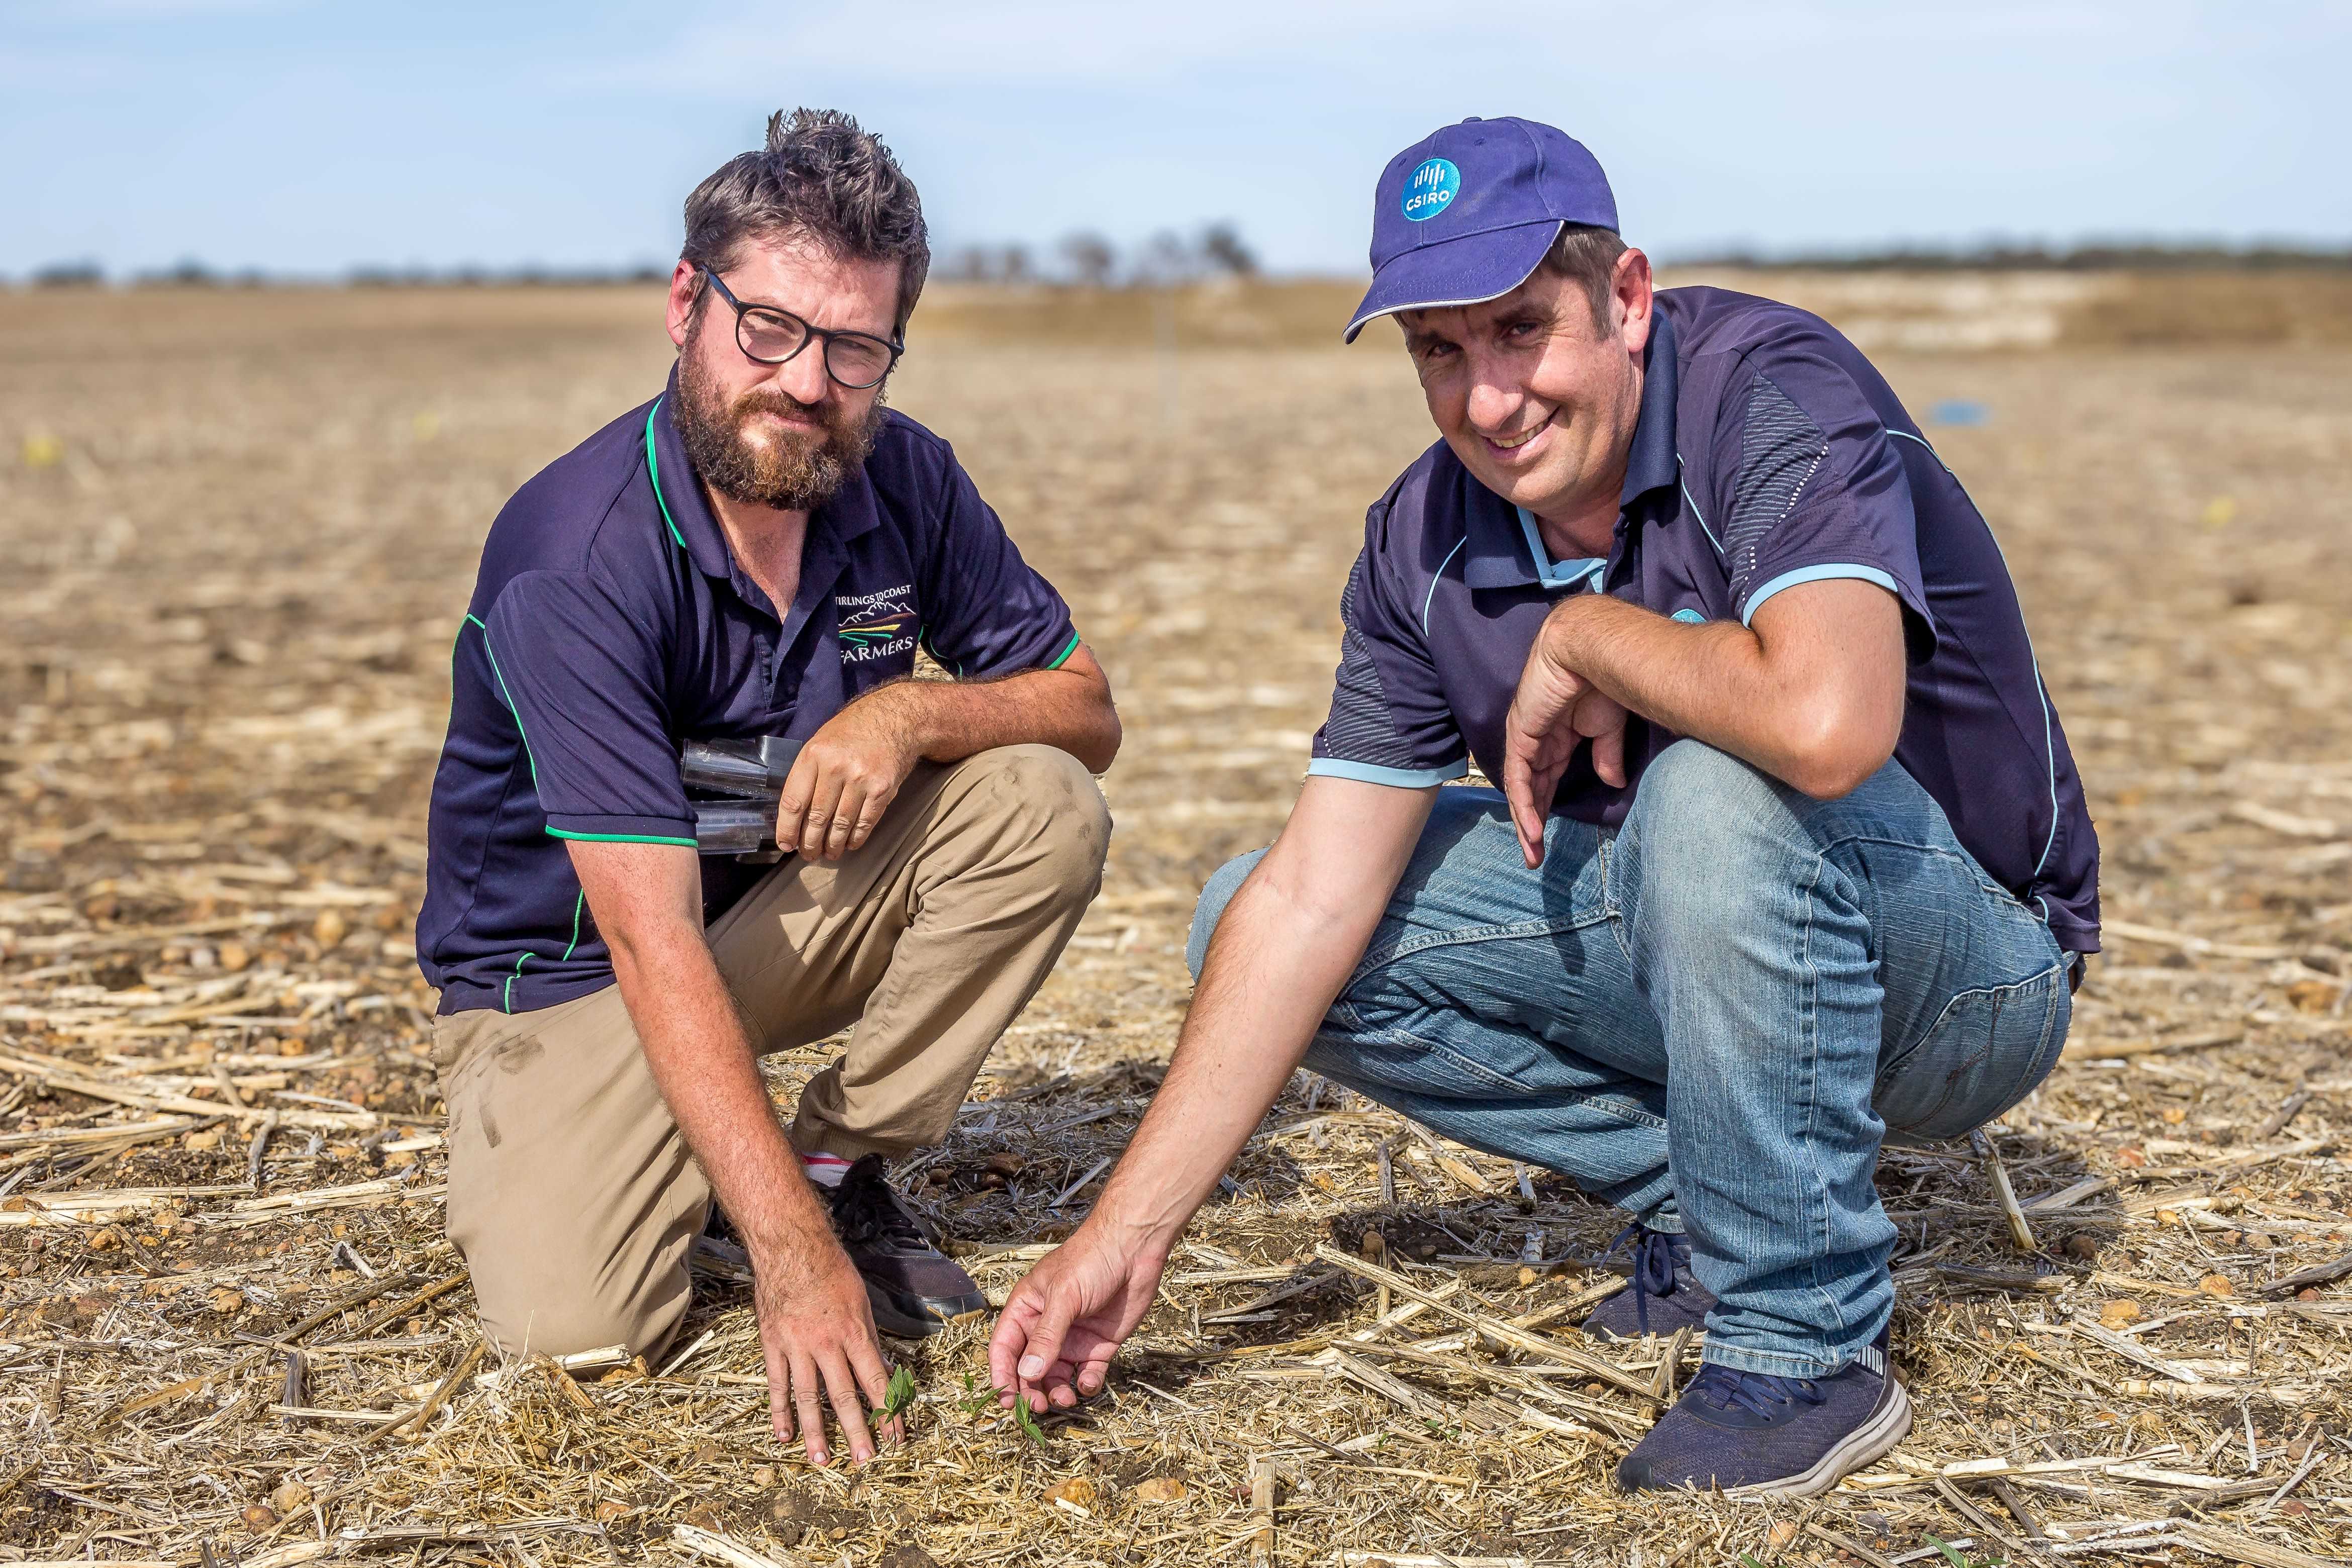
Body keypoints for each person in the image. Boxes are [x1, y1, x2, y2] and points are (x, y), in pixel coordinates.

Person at [990, 116, 2096, 1496]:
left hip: (1964, 976)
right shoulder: (1424, 540)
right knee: (1249, 918)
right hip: (1706, 939)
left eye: (1520, 331)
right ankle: (1714, 1207)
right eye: (1438, 353)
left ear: (1625, 301)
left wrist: (1590, 642)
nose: (1487, 400)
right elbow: (1314, 901)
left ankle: (1806, 1344)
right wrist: (1123, 1235)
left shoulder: (1768, 393)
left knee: (1711, 785)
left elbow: (1827, 727)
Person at [416, 109, 1118, 1467]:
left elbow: (1085, 712)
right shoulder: (580, 556)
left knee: (1038, 801)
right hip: (568, 989)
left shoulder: (904, 479)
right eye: (772, 330)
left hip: (762, 927)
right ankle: (722, 1193)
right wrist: (795, 1274)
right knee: (578, 1334)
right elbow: (645, 936)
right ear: (689, 304)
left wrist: (914, 711)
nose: (807, 383)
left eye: (856, 348)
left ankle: (832, 1167)